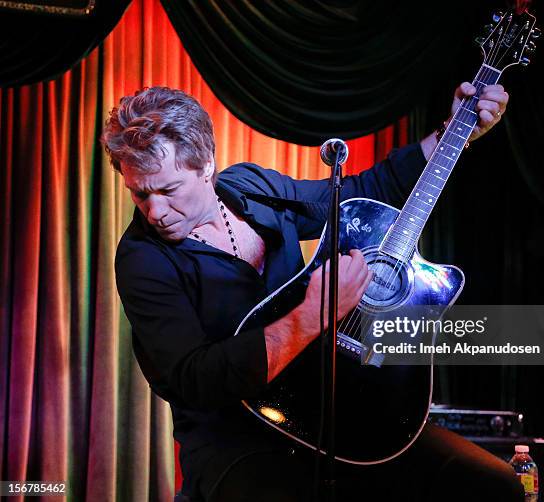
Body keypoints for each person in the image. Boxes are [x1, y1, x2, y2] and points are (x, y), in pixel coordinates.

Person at [102, 85, 522, 501]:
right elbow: (194, 380)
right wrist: (314, 314)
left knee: (493, 484)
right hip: (239, 440)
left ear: (206, 164)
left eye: (168, 190)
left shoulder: (249, 187)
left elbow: (360, 193)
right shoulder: (143, 259)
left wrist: (455, 132)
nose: (154, 211)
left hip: (335, 411)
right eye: (140, 193)